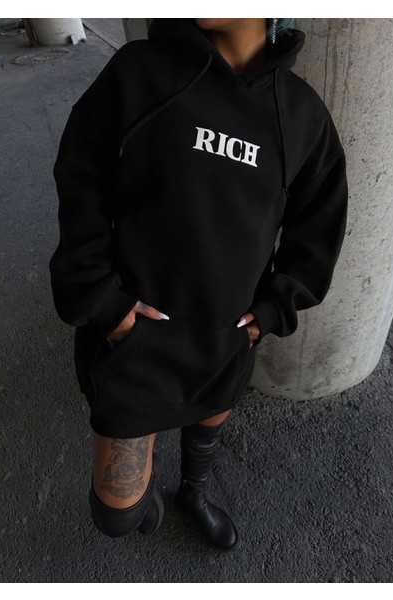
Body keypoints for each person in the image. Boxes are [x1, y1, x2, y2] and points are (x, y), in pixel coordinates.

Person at [49, 18, 348, 551]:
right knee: (116, 517)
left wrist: (270, 313)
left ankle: (194, 491)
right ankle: (149, 492)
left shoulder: (302, 114)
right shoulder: (139, 72)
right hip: (133, 340)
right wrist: (102, 301)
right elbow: (80, 177)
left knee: (206, 428)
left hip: (223, 341)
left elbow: (318, 226)